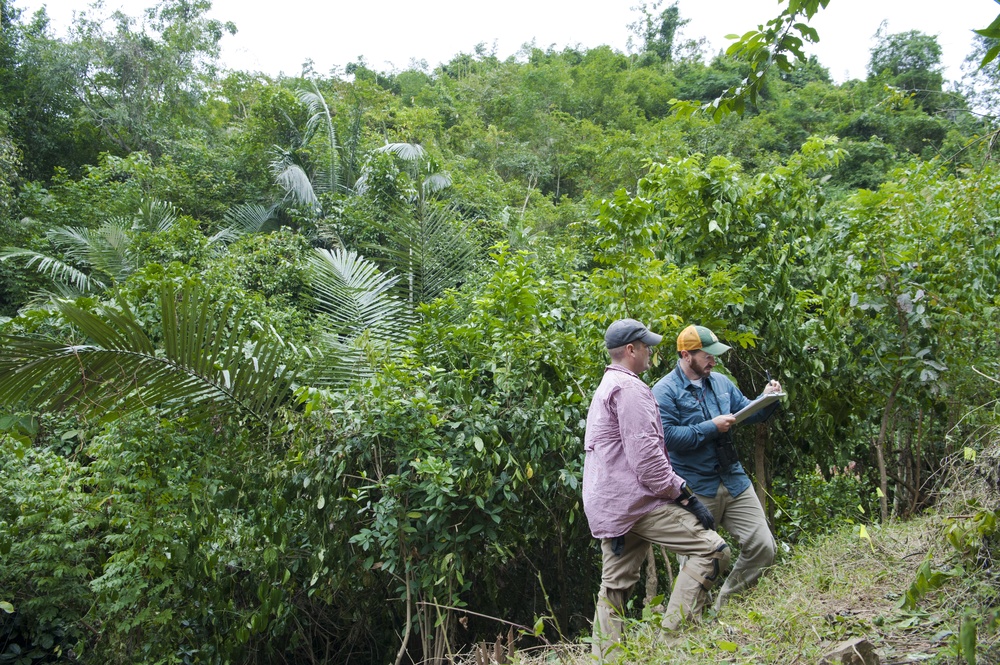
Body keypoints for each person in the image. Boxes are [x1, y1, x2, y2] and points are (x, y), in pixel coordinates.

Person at [583, 318, 731, 658]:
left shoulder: (607, 385)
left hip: (609, 506)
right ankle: (673, 642)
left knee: (614, 587)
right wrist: (686, 497)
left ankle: (606, 659)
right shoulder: (630, 389)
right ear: (631, 350)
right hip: (636, 503)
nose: (651, 351)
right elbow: (647, 460)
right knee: (714, 550)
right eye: (646, 346)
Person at [651, 324, 782, 611]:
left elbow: (746, 412)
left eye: (714, 355)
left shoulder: (721, 382)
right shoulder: (664, 391)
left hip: (733, 479)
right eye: (707, 355)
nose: (713, 360)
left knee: (763, 546)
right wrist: (711, 427)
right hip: (696, 488)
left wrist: (767, 399)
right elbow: (667, 437)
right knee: (697, 562)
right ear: (686, 355)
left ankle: (726, 608)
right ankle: (690, 624)